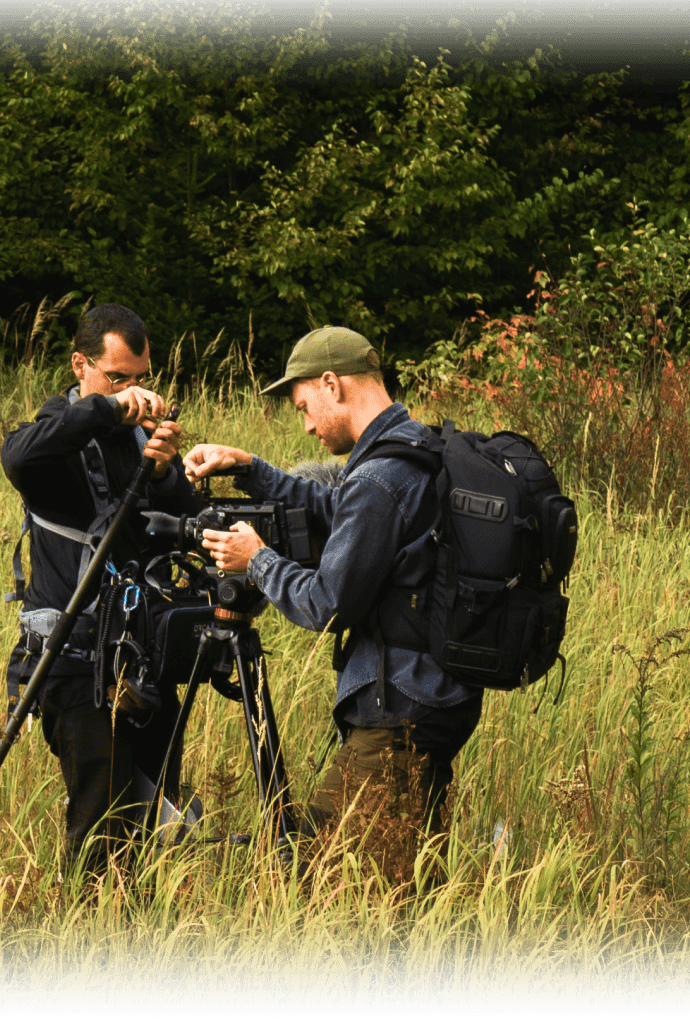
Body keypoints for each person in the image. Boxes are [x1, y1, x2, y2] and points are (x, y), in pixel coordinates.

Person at [182, 326, 482, 843]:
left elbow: (326, 604)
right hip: (434, 698)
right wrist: (251, 469)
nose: (306, 427)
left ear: (331, 384)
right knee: (400, 879)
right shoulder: (414, 448)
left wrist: (257, 560)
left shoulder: (377, 479)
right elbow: (337, 509)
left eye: (303, 407)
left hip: (399, 713)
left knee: (331, 877)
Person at [0, 302, 203, 884]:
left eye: (142, 379)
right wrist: (103, 410)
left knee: (151, 816)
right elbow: (17, 455)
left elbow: (188, 525)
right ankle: (91, 949)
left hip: (142, 660)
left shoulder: (138, 434)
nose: (135, 394)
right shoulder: (59, 432)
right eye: (119, 378)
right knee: (102, 829)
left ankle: (142, 942)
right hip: (75, 660)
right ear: (81, 366)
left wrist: (166, 474)